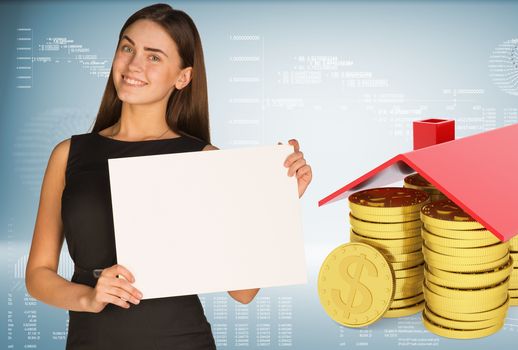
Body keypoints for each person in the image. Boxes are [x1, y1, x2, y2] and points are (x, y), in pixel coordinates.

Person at [24, 3, 312, 349]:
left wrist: (277, 202)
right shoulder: (68, 155)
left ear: (183, 77)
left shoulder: (205, 160)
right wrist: (89, 298)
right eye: (127, 48)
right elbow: (38, 275)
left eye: (154, 57)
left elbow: (243, 291)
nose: (134, 65)